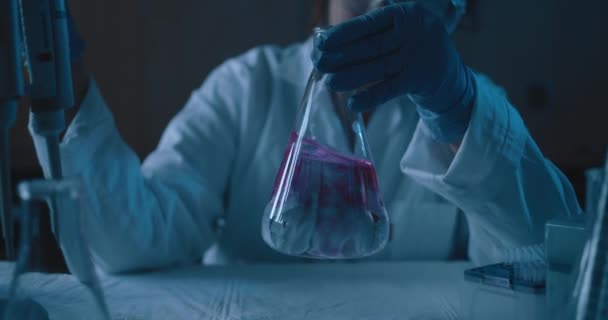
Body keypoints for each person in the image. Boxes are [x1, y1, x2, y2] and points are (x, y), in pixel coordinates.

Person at [31, 0, 581, 273]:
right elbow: (135, 239)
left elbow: (540, 265)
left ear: (452, 11)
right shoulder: (247, 89)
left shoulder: (471, 108)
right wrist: (63, 70)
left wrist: (455, 107)